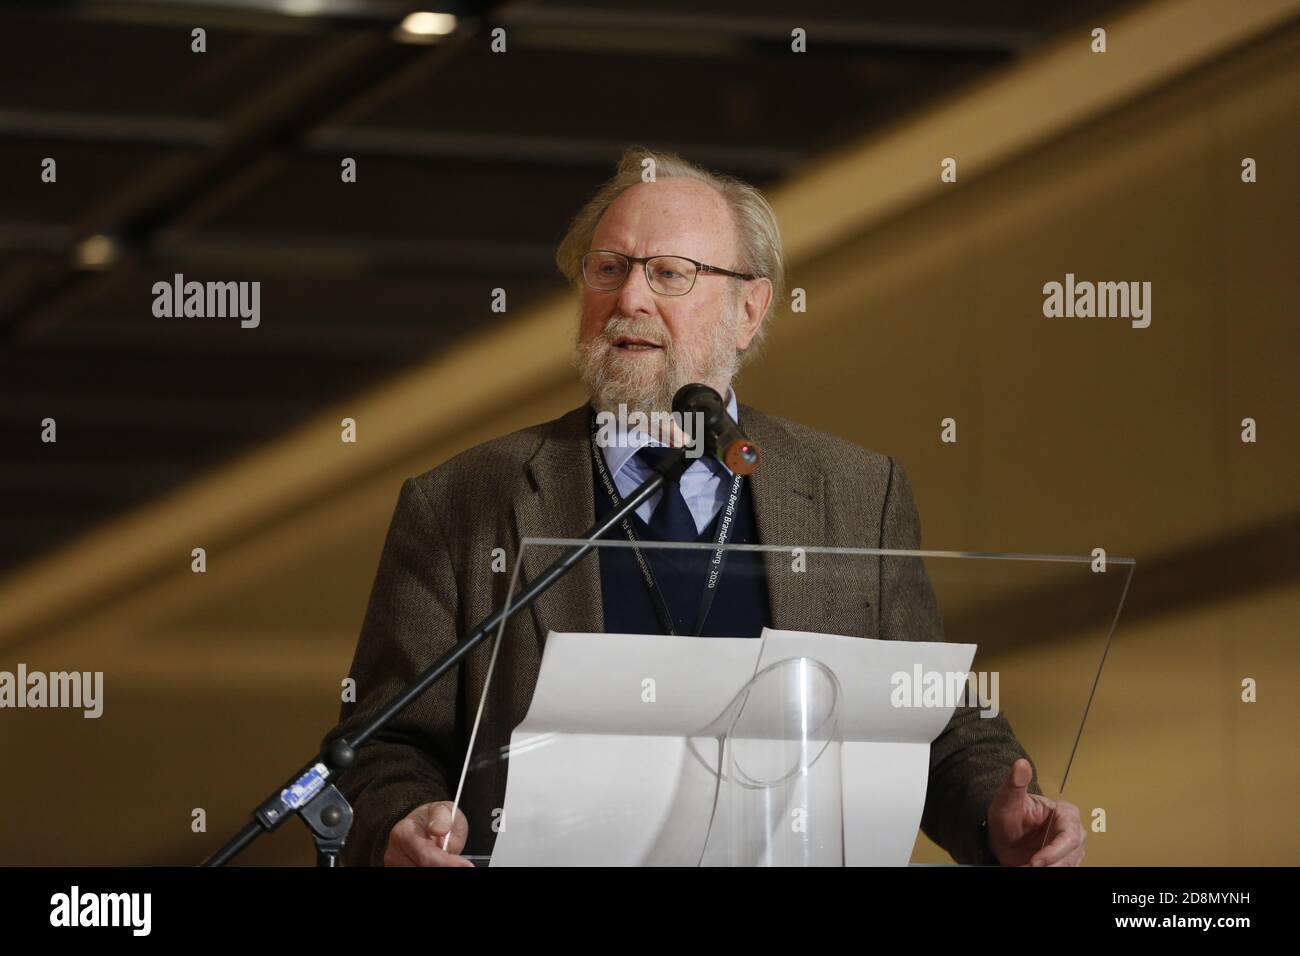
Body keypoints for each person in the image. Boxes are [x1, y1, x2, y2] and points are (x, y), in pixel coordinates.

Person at [325, 148, 1086, 868]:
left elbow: (925, 715)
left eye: (670, 273)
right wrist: (402, 818)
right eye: (609, 268)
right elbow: (379, 747)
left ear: (748, 310)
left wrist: (998, 812)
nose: (629, 298)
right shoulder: (462, 503)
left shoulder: (857, 495)